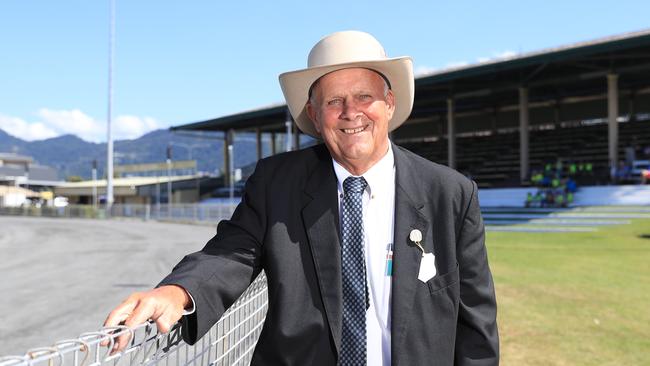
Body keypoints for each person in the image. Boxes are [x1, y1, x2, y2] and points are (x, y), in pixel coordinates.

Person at [104, 30, 499, 365]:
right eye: (333, 102)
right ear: (314, 114)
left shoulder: (450, 193)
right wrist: (178, 292)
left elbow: (475, 323)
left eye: (364, 97)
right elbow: (230, 253)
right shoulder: (278, 182)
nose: (350, 112)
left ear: (389, 104)